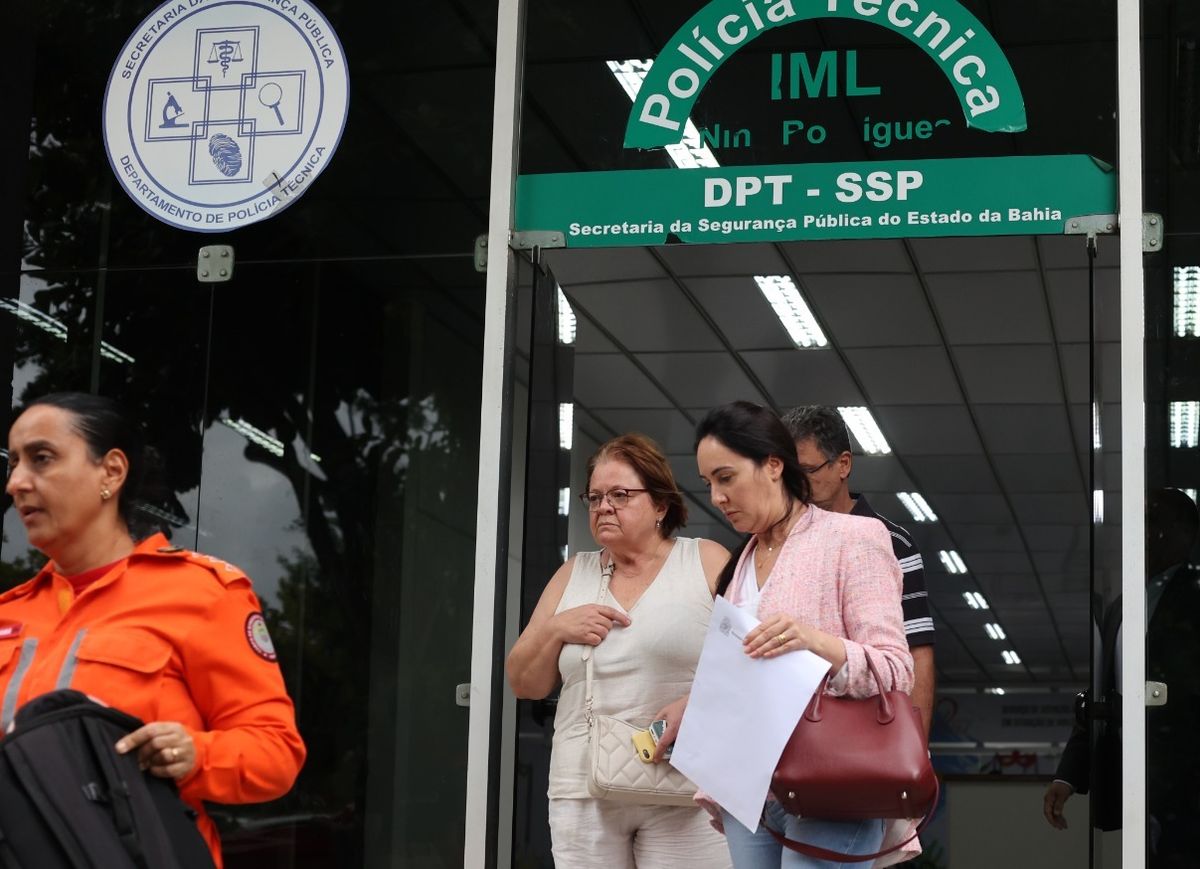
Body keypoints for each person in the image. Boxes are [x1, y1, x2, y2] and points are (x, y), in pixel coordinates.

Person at [1, 392, 305, 868]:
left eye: (41, 458)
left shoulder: (202, 593)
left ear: (112, 472)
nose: (16, 482)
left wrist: (195, 754)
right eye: (14, 462)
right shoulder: (8, 613)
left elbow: (275, 753)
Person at [659, 401, 915, 868]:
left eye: (726, 477)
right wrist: (694, 704)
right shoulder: (740, 563)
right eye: (708, 484)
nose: (716, 496)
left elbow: (895, 672)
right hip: (748, 783)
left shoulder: (854, 537)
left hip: (832, 775)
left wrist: (814, 641)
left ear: (774, 465)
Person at [505, 433, 731, 868]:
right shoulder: (574, 573)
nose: (604, 506)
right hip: (583, 785)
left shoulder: (704, 561)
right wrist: (556, 628)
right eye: (594, 497)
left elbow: (752, 661)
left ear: (661, 505)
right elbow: (523, 682)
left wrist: (700, 701)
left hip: (683, 779)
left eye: (620, 495)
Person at [1044, 489, 1200, 866]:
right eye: (1138, 524)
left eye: (1152, 523)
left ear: (1183, 533)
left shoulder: (1195, 596)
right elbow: (1103, 694)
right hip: (1138, 789)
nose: (1142, 535)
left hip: (1189, 789)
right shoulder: (1122, 606)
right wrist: (1068, 776)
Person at [779, 405, 936, 738]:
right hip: (793, 729)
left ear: (844, 465)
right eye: (789, 472)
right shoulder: (779, 542)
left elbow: (917, 652)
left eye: (808, 469)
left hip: (867, 729)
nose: (797, 483)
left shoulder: (894, 543)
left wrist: (915, 746)